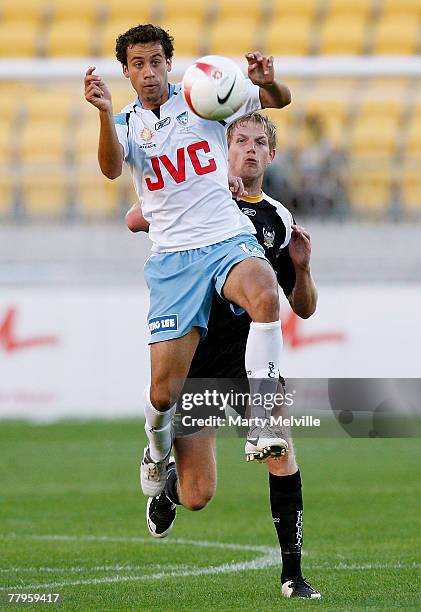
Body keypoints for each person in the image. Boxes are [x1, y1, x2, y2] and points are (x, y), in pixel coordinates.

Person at [84, 24, 292, 499]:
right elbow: (112, 168)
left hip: (226, 239)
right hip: (175, 261)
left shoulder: (203, 98)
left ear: (168, 63)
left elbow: (277, 101)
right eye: (138, 64)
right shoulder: (125, 124)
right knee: (163, 394)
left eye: (156, 61)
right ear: (126, 72)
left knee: (264, 294)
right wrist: (101, 114)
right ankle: (156, 454)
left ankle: (262, 421)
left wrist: (266, 82)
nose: (149, 72)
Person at [126, 112, 321, 600]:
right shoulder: (201, 194)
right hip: (198, 361)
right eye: (240, 140)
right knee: (198, 496)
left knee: (279, 450)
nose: (249, 149)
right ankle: (168, 487)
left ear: (271, 155)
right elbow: (136, 216)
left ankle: (293, 576)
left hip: (248, 359)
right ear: (222, 146)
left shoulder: (279, 219)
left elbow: (304, 307)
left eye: (259, 143)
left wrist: (302, 268)